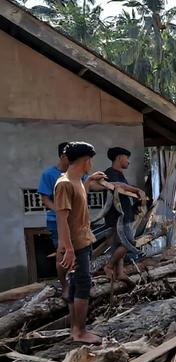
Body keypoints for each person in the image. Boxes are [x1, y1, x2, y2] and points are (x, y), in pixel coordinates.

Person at [55, 142, 105, 344]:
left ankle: (76, 328)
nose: (91, 164)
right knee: (83, 285)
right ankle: (79, 332)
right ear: (85, 160)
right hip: (75, 244)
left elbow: (79, 196)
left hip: (83, 239)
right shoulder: (64, 183)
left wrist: (90, 180)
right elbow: (62, 220)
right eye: (90, 160)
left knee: (78, 284)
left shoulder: (77, 181)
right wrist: (68, 249)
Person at [38, 143, 102, 298]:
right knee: (62, 253)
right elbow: (45, 199)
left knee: (78, 263)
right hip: (57, 221)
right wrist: (62, 211)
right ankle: (65, 286)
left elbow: (82, 192)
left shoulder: (77, 175)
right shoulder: (51, 175)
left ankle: (75, 289)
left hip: (76, 224)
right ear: (63, 157)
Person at [103, 147, 144, 282]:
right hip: (118, 216)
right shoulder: (110, 173)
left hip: (124, 214)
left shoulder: (120, 173)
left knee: (118, 244)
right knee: (128, 243)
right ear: (119, 157)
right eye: (127, 158)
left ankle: (120, 273)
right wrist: (137, 190)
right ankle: (109, 266)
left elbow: (124, 193)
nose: (128, 162)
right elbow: (117, 185)